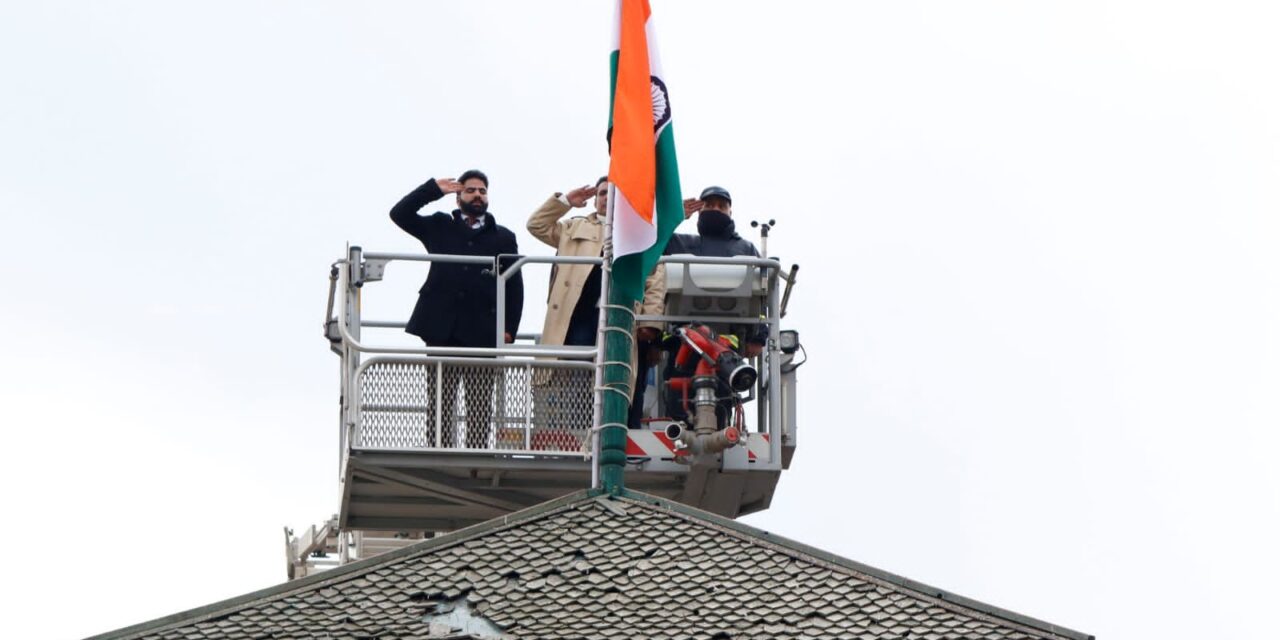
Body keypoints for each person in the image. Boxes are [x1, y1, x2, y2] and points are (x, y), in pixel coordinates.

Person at [390, 170, 524, 448]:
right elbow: (399, 213)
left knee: (479, 400)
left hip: (483, 328)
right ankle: (436, 446)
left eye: (483, 191)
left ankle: (477, 452)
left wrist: (510, 327)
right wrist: (433, 190)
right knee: (440, 395)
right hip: (441, 324)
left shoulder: (503, 237)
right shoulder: (439, 226)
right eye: (471, 190)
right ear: (458, 197)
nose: (477, 195)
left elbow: (514, 285)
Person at [527, 177, 665, 429]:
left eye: (613, 194)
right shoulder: (573, 227)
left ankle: (611, 432)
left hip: (621, 318)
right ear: (595, 199)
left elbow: (655, 278)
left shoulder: (639, 233)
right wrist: (566, 202)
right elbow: (536, 225)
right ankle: (579, 433)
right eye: (602, 193)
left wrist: (651, 321)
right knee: (578, 378)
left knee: (616, 378)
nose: (606, 198)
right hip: (577, 318)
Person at [669, 185, 765, 357]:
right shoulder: (679, 243)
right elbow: (648, 245)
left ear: (730, 212)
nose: (716, 209)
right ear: (699, 210)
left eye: (722, 206)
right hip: (683, 343)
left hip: (730, 350)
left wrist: (759, 337)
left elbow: (762, 296)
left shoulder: (746, 249)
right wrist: (672, 217)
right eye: (710, 205)